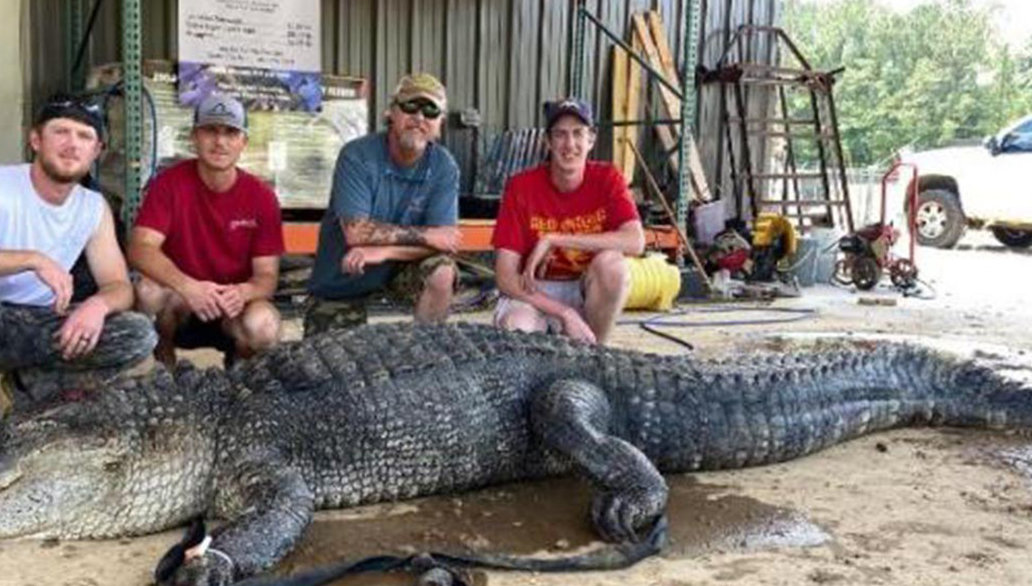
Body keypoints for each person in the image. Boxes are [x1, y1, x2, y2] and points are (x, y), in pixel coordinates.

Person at [0, 94, 156, 440]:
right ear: (36, 139)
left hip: (29, 325)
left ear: (96, 151)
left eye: (84, 136)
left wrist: (97, 306)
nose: (72, 144)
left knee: (136, 333)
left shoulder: (93, 207)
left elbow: (118, 285)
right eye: (61, 131)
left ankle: (32, 386)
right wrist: (32, 259)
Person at [129, 92, 284, 368]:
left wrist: (243, 292)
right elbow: (140, 248)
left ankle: (240, 376)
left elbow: (267, 277)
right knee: (148, 292)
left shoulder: (262, 196)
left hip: (232, 308)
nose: (220, 141)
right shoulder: (168, 184)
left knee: (264, 325)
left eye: (231, 132)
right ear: (194, 137)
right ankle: (165, 370)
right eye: (210, 130)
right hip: (181, 304)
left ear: (243, 142)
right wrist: (188, 287)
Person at [303, 73, 462, 337]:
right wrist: (427, 235)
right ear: (391, 112)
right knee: (330, 359)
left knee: (442, 272)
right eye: (410, 106)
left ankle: (426, 350)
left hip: (399, 269)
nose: (419, 117)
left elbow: (445, 241)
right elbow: (356, 232)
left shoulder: (445, 166)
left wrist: (384, 251)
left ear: (440, 123)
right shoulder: (356, 155)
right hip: (345, 277)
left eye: (431, 110)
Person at [492, 98, 645, 344]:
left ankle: (595, 351)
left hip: (585, 289)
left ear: (591, 139)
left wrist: (555, 239)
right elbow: (505, 277)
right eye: (560, 134)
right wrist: (565, 313)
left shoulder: (608, 178)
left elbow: (635, 242)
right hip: (534, 291)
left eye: (578, 133)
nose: (570, 144)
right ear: (548, 141)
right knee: (517, 326)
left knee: (614, 267)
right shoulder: (521, 187)